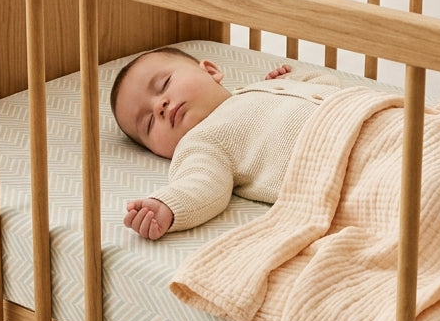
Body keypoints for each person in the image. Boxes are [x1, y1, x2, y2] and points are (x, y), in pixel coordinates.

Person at [110, 46, 338, 239]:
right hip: (338, 168)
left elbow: (330, 86)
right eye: (148, 123)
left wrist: (294, 79)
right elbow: (202, 185)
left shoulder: (262, 87)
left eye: (164, 84)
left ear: (210, 71)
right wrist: (167, 206)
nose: (160, 105)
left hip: (362, 112)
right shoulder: (201, 143)